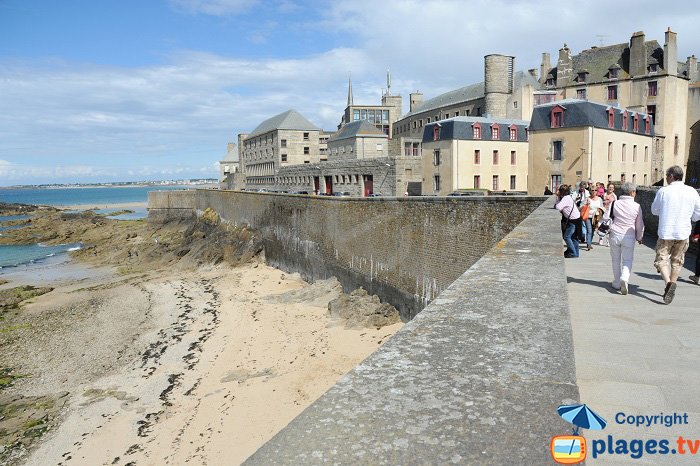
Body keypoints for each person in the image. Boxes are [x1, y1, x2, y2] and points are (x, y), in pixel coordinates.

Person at [650, 166, 700, 304]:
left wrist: (665, 212)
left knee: (661, 259)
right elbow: (698, 214)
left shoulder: (664, 191)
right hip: (683, 231)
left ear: (671, 176)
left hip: (666, 231)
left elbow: (654, 210)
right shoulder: (692, 191)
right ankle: (672, 282)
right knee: (677, 261)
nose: (666, 177)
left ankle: (668, 284)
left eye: (666, 175)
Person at [603, 182, 644, 294]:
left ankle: (616, 282)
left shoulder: (614, 203)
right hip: (629, 235)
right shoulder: (637, 206)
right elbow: (639, 224)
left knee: (615, 258)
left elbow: (606, 217)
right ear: (632, 193)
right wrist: (639, 237)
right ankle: (624, 278)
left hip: (615, 233)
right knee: (627, 259)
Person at [556, 184, 581, 258]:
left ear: (562, 192)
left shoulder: (566, 198)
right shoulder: (568, 197)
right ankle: (576, 253)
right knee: (574, 237)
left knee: (567, 237)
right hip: (577, 219)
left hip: (573, 220)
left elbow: (558, 207)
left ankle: (573, 253)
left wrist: (557, 197)